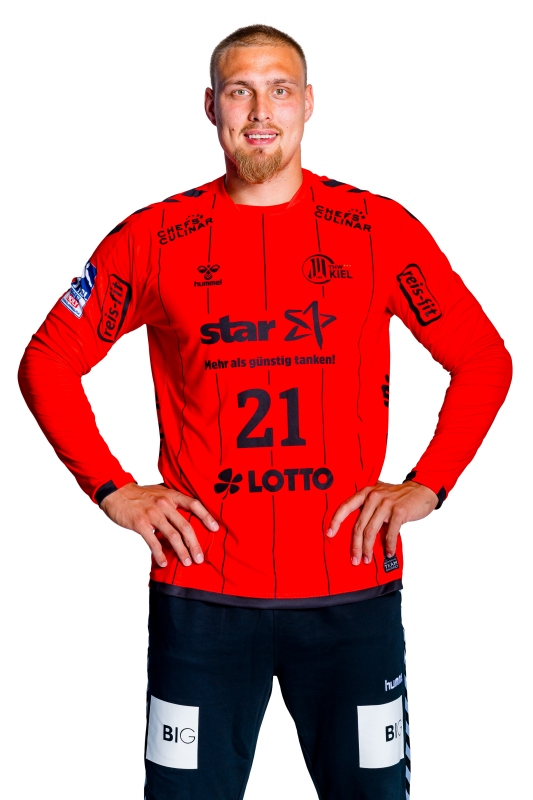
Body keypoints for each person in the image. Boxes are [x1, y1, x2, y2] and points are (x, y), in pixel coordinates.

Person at [18, 23, 512, 800]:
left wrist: (429, 483)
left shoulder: (378, 229)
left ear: (307, 103)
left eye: (279, 90)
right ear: (209, 105)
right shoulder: (153, 237)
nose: (259, 111)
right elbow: (48, 359)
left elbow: (482, 356)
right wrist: (113, 489)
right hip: (201, 595)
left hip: (350, 589)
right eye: (239, 91)